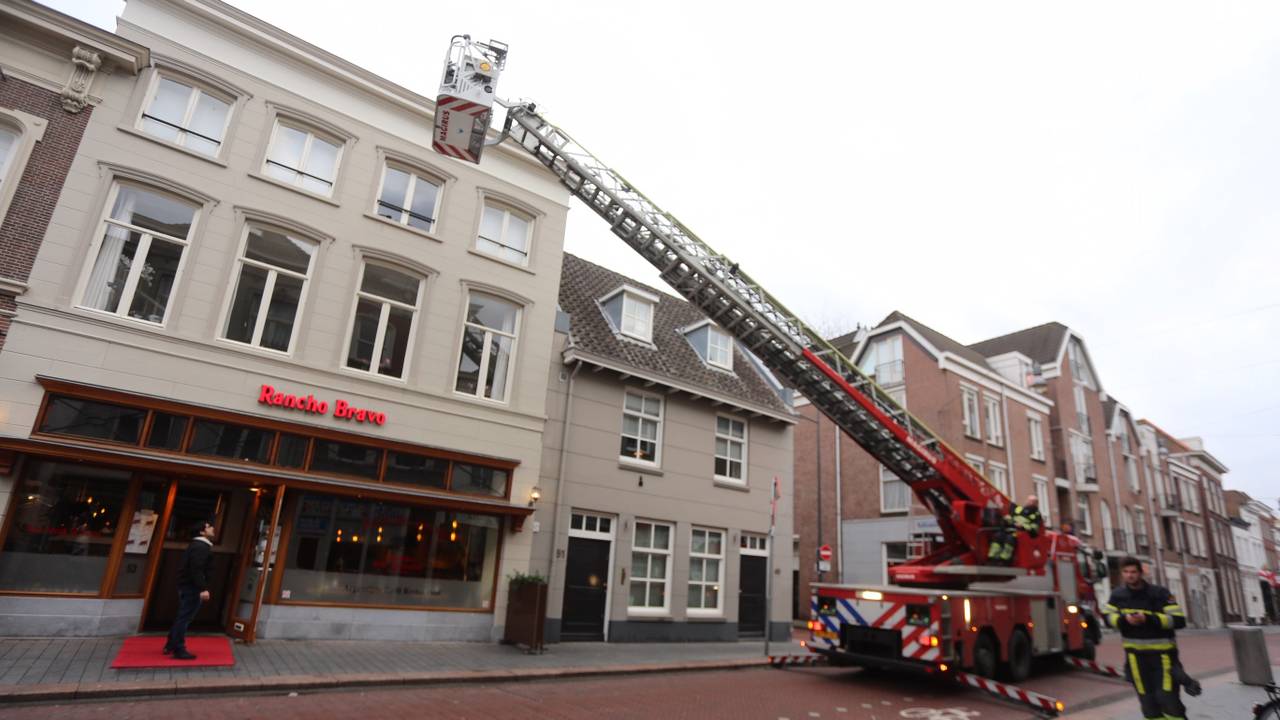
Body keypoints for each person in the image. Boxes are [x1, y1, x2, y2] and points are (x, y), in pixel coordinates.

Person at [1103, 556, 1196, 720]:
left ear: (1141, 573)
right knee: (1148, 704)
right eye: (1126, 572)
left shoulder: (1160, 594)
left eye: (1133, 572)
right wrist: (1124, 620)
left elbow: (1179, 620)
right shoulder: (1117, 595)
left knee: (1168, 701)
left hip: (1163, 658)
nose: (1129, 575)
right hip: (1135, 659)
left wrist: (1148, 619)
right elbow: (1107, 618)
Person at [165, 519, 215, 660]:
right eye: (208, 527)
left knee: (183, 615)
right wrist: (203, 588)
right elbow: (196, 569)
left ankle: (171, 644)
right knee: (185, 617)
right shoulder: (200, 547)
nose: (212, 528)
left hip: (188, 585)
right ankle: (178, 648)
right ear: (202, 532)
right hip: (192, 587)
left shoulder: (197, 545)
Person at [987, 495, 1043, 565]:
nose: (1030, 502)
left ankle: (1004, 560)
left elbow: (1034, 528)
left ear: (1036, 503)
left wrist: (1022, 526)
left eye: (1032, 501)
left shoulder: (1036, 515)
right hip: (1010, 529)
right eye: (1029, 500)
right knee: (998, 536)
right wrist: (1007, 519)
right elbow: (1012, 516)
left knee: (1009, 538)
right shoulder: (1019, 509)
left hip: (1021, 532)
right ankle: (992, 557)